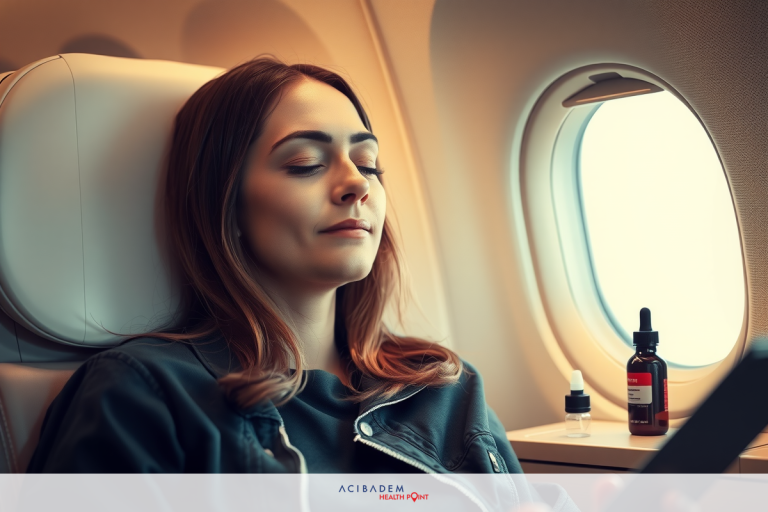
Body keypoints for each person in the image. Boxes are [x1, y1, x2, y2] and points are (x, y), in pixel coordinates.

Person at [26, 57, 522, 476]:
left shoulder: (446, 390)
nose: (358, 184)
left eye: (368, 163)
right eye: (306, 162)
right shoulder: (144, 395)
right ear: (227, 204)